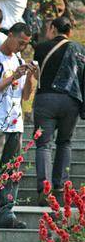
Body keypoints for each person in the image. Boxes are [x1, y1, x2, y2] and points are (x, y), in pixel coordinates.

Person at [0, 23, 36, 228]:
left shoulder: (19, 60)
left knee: (11, 170)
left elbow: (26, 95)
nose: (22, 47)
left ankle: (6, 213)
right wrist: (14, 76)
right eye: (20, 42)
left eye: (26, 44)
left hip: (15, 124)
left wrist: (29, 75)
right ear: (9, 35)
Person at [33, 16, 85, 206]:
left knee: (43, 144)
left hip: (45, 100)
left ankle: (44, 190)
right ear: (70, 32)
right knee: (65, 143)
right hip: (71, 102)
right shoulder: (80, 50)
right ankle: (60, 188)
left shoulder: (41, 48)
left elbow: (36, 75)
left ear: (53, 28)